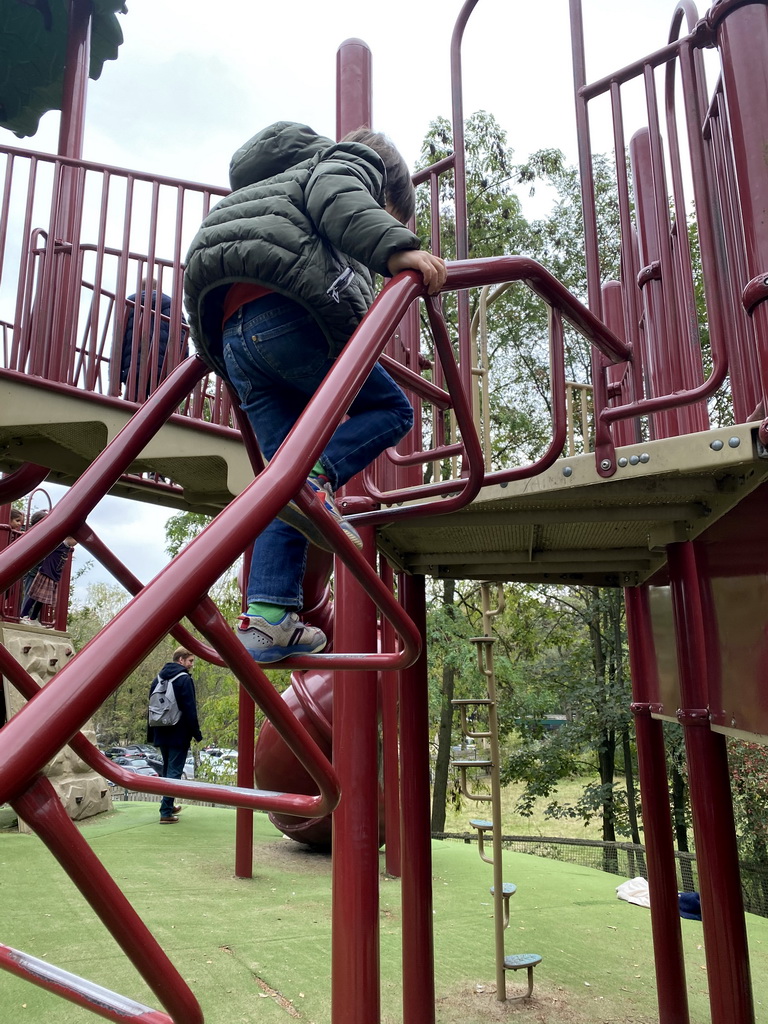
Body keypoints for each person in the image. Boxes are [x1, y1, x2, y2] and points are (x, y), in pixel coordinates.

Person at [184, 121, 446, 663]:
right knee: (391, 408)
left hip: (233, 343)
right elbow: (340, 199)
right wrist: (395, 249)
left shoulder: (265, 189)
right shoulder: (346, 163)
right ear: (387, 191)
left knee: (282, 478)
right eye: (390, 214)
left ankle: (270, 620)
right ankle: (317, 480)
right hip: (289, 319)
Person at [147, 648, 202, 824]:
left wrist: (151, 732)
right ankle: (165, 812)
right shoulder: (184, 679)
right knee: (174, 772)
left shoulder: (159, 678)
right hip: (179, 732)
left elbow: (151, 706)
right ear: (181, 660)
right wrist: (196, 733)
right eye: (190, 661)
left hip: (160, 729)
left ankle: (168, 805)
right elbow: (189, 708)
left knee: (167, 770)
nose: (192, 665)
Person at [120, 277, 187, 399]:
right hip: (165, 371)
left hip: (135, 368)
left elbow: (119, 341)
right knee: (162, 410)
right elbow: (183, 340)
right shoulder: (173, 306)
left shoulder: (130, 303)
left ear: (140, 288)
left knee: (133, 410)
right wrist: (183, 373)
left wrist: (116, 378)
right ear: (159, 288)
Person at [20, 530, 76, 626]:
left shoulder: (67, 549)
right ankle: (23, 615)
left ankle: (33, 618)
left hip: (53, 576)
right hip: (46, 573)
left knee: (43, 599)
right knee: (35, 595)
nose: (76, 543)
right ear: (69, 538)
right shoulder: (58, 545)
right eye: (76, 540)